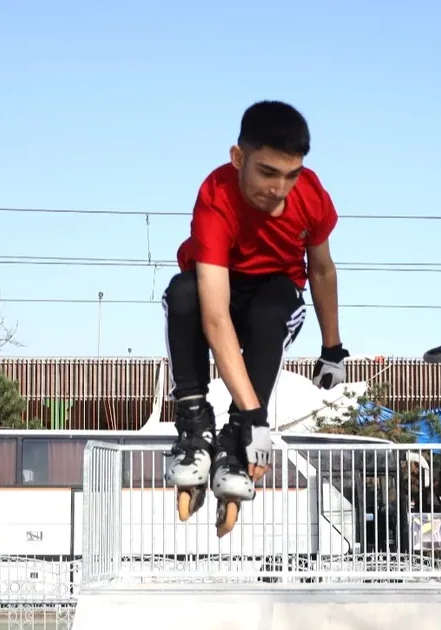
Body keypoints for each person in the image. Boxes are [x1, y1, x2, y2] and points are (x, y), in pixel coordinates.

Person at [162, 100, 350, 504]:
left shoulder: (311, 196)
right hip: (221, 293)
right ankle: (195, 425)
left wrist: (332, 349)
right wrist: (257, 416)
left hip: (274, 295)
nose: (279, 189)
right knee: (182, 292)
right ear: (238, 157)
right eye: (267, 172)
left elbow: (321, 270)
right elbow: (214, 317)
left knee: (272, 307)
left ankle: (235, 436)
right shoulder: (216, 195)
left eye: (290, 175)